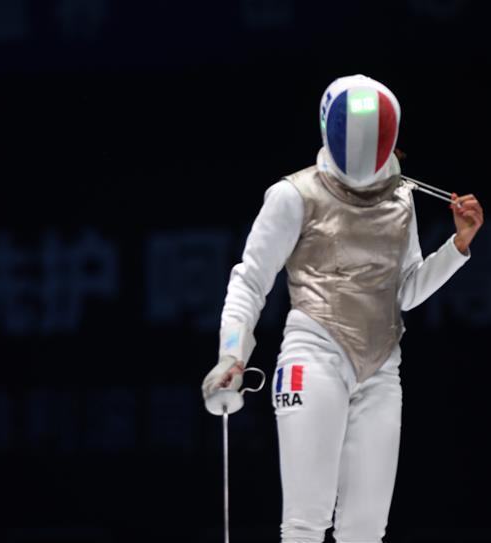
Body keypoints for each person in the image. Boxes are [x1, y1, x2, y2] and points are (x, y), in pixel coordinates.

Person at [201, 75, 483, 542]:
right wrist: (232, 355)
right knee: (306, 523)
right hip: (314, 354)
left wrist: (457, 246)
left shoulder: (402, 200)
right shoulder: (295, 195)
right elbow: (250, 279)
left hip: (381, 367)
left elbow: (405, 293)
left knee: (366, 531)